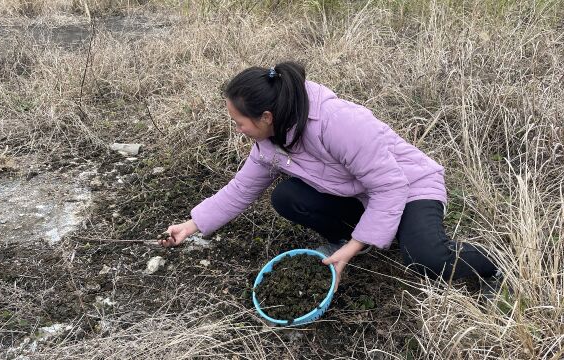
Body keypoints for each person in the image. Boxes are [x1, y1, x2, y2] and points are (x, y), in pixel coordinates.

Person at [158, 61, 498, 292]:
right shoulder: (270, 140)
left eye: (239, 122)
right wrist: (191, 226)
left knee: (424, 260)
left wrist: (350, 249)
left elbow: (390, 186)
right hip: (360, 195)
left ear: (265, 116)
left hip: (410, 187)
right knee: (287, 196)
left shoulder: (338, 123)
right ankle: (375, 237)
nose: (237, 129)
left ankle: (492, 264)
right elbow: (241, 189)